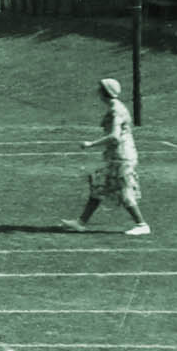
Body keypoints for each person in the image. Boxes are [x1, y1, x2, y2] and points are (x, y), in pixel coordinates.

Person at [63, 78, 150, 236]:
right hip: (115, 156)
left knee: (124, 191)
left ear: (105, 92)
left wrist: (91, 144)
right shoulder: (114, 107)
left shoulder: (116, 110)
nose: (97, 91)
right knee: (99, 186)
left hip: (122, 157)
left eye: (100, 89)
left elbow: (114, 137)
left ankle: (142, 224)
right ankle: (81, 223)